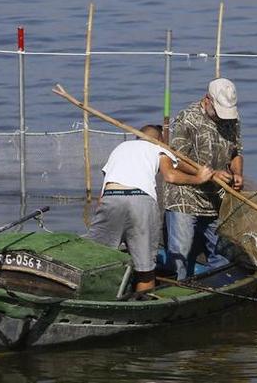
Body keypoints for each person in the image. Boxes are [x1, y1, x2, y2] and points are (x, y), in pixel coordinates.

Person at [87, 125, 214, 292]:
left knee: (95, 259)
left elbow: (103, 193)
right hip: (141, 201)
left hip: (112, 198)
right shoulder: (159, 148)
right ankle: (142, 304)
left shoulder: (120, 148)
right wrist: (199, 178)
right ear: (160, 139)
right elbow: (170, 175)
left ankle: (95, 297)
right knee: (145, 269)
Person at [163, 78, 243, 280]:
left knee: (223, 254)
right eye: (218, 111)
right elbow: (177, 159)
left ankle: (218, 289)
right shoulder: (187, 118)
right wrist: (211, 174)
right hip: (185, 197)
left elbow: (236, 153)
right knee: (179, 254)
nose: (221, 117)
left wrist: (238, 173)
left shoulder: (232, 121)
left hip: (215, 199)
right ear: (207, 100)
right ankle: (178, 292)